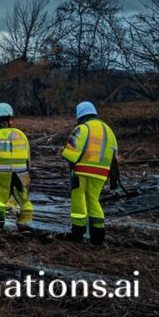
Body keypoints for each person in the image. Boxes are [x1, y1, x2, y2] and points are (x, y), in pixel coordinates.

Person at [60, 101, 119, 245]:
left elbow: (70, 154)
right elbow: (114, 156)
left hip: (81, 170)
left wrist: (69, 162)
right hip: (101, 173)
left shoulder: (83, 128)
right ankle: (98, 236)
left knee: (78, 199)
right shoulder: (108, 130)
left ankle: (77, 234)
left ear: (79, 115)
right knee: (93, 200)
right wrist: (113, 177)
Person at [0, 103, 33, 230]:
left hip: (2, 170)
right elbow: (28, 157)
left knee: (1, 195)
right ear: (9, 119)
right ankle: (26, 222)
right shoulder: (20, 134)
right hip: (21, 169)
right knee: (23, 196)